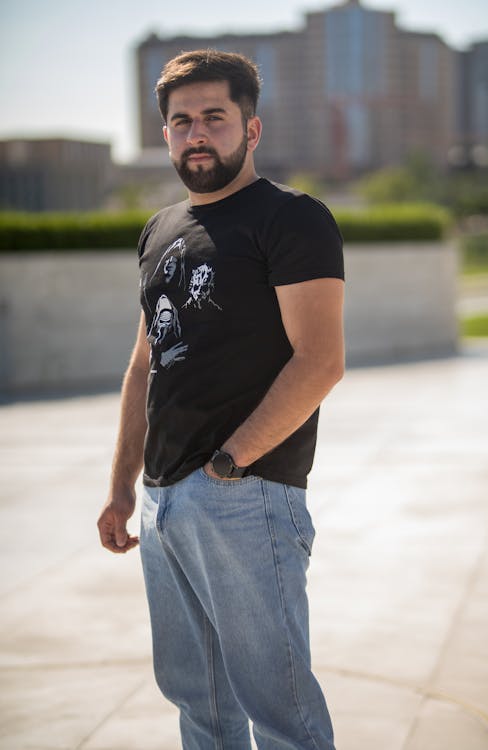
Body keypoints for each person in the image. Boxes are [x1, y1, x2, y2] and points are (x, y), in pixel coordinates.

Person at [98, 49, 344, 750]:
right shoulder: (159, 231)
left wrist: (231, 465)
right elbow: (145, 366)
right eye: (181, 122)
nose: (196, 134)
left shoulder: (291, 218)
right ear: (166, 133)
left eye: (214, 117)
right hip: (164, 499)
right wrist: (123, 489)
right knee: (199, 707)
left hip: (244, 494)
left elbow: (321, 361)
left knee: (281, 714)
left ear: (252, 128)